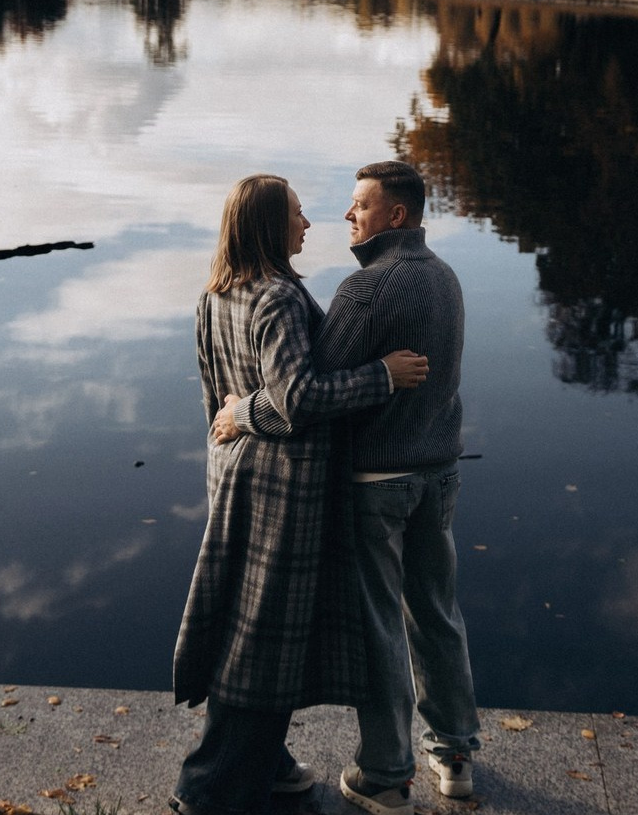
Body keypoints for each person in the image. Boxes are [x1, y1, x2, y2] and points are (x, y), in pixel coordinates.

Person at [215, 160, 480, 815]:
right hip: (440, 471)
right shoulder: (445, 279)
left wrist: (237, 412)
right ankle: (454, 754)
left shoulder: (365, 291)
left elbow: (300, 398)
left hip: (379, 480)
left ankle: (386, 774)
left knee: (380, 627)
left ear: (396, 214)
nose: (347, 215)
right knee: (437, 611)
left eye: (360, 204)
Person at [171, 173, 429, 815]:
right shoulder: (277, 299)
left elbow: (214, 403)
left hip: (231, 475)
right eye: (296, 213)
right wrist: (383, 376)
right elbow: (296, 399)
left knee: (252, 623)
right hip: (286, 491)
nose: (309, 223)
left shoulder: (213, 294)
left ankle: (270, 762)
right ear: (267, 225)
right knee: (266, 637)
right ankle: (207, 790)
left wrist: (233, 427)